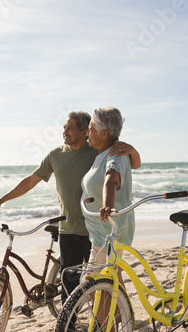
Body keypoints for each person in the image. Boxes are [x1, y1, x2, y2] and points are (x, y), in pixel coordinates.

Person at [0, 111, 140, 304]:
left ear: (85, 132)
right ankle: (71, 325)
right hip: (70, 228)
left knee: (108, 281)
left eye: (70, 127)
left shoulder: (97, 151)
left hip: (97, 228)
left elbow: (126, 167)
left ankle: (117, 320)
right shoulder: (55, 155)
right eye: (64, 127)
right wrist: (1, 200)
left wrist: (133, 151)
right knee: (71, 285)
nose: (65, 131)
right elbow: (30, 181)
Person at [81, 106, 134, 291]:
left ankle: (104, 322)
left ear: (103, 134)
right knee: (112, 280)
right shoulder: (102, 154)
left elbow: (111, 180)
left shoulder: (115, 154)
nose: (87, 132)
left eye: (91, 128)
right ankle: (122, 320)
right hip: (101, 232)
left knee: (93, 283)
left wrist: (107, 206)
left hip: (110, 232)